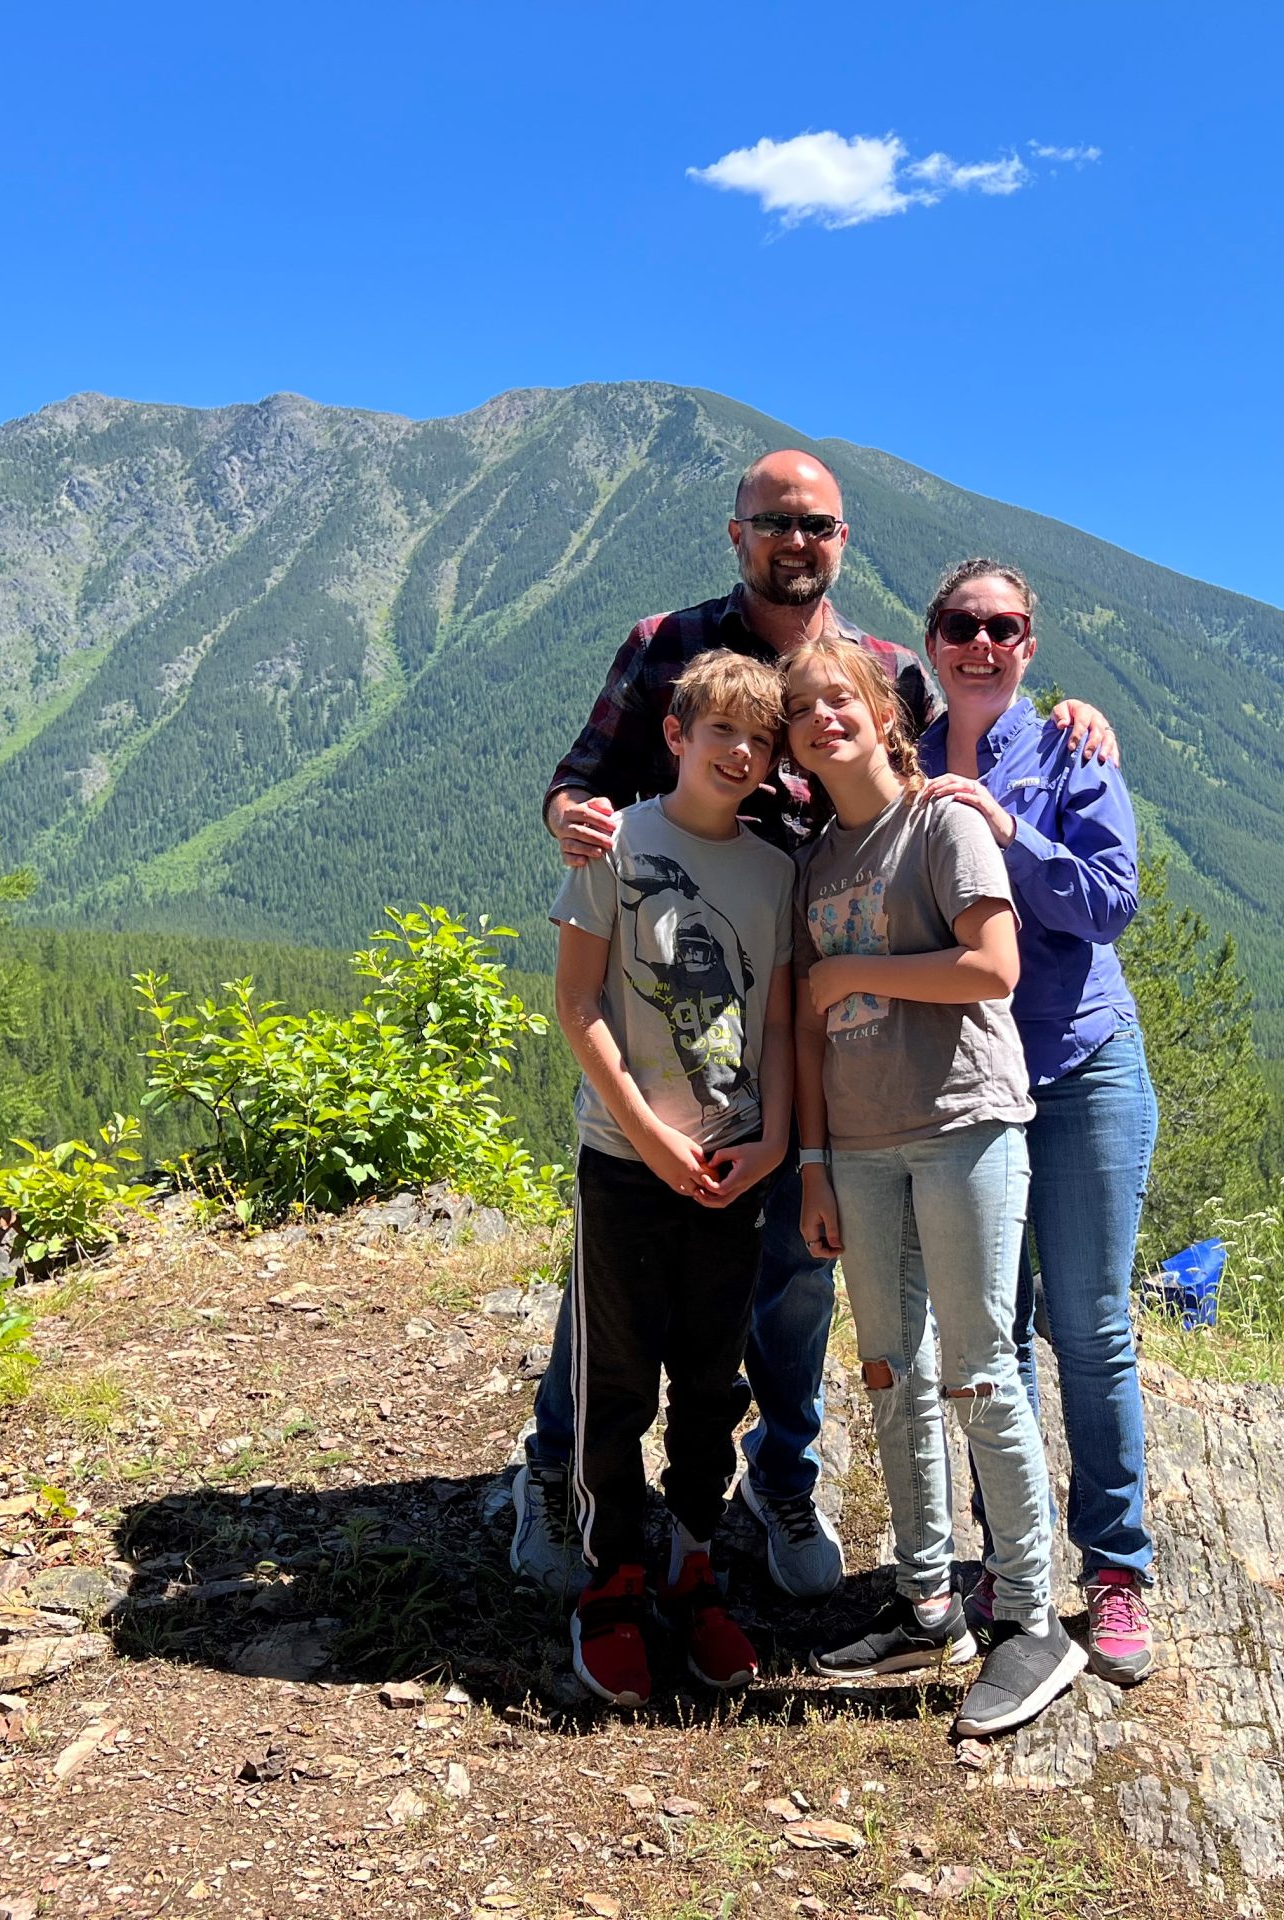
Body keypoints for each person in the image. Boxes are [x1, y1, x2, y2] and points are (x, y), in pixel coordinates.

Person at [512, 449, 1118, 1601]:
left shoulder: (884, 666)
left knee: (793, 1265)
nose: (798, 540)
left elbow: (964, 757)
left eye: (820, 524)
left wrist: (1066, 718)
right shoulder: (663, 647)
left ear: (844, 540)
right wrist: (573, 820)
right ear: (736, 532)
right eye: (775, 521)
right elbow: (578, 779)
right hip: (684, 1009)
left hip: (823, 1021)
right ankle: (561, 1471)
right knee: (624, 1265)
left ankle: (776, 1476)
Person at [785, 636, 1086, 1741]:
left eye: (841, 699)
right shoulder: (818, 860)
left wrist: (858, 969)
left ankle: (1032, 1625)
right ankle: (924, 1603)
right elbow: (807, 1034)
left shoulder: (942, 823)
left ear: (881, 713)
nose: (824, 718)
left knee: (977, 1372)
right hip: (859, 1148)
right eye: (803, 709)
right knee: (887, 1374)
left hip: (962, 1124)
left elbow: (992, 965)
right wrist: (814, 1162)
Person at [918, 560, 1163, 1686]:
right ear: (930, 640)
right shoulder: (898, 753)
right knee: (990, 1338)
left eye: (1001, 627)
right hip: (969, 1083)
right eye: (961, 625)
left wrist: (1003, 827)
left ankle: (1114, 1571)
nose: (980, 643)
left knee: (1091, 1327)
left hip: (1079, 1066)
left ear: (1029, 642)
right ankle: (1011, 1565)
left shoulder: (1071, 750)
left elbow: (1110, 902)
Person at [547, 652, 794, 1705]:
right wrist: (648, 1137)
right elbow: (577, 1004)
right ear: (678, 738)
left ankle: (694, 1561)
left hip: (735, 1168)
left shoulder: (774, 871)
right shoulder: (614, 842)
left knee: (710, 1381)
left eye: (760, 740)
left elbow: (777, 1021)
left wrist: (774, 1140)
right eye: (720, 732)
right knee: (615, 1380)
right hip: (625, 1161)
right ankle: (610, 1579)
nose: (738, 753)